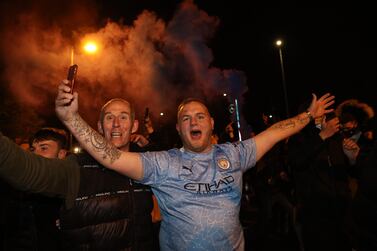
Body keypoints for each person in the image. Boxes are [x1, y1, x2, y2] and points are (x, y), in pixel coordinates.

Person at [55, 80, 335, 251]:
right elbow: (111, 157)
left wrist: (308, 116)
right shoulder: (164, 163)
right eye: (186, 119)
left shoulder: (236, 154)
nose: (194, 122)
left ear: (211, 123)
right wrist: (72, 119)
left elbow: (275, 132)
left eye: (200, 116)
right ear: (179, 128)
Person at [0, 98, 155, 250]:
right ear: (100, 127)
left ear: (134, 126)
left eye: (123, 117)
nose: (116, 124)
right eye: (109, 118)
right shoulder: (78, 167)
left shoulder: (150, 164)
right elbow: (29, 170)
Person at [287, 109, 360, 251]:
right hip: (316, 216)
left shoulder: (337, 137)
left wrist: (352, 159)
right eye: (318, 114)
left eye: (325, 114)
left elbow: (350, 172)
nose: (322, 118)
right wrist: (322, 135)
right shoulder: (299, 139)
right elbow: (297, 162)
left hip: (342, 211)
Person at [1, 128, 67, 250]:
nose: (35, 154)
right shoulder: (15, 189)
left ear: (61, 154)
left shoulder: (71, 195)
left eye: (44, 148)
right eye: (33, 149)